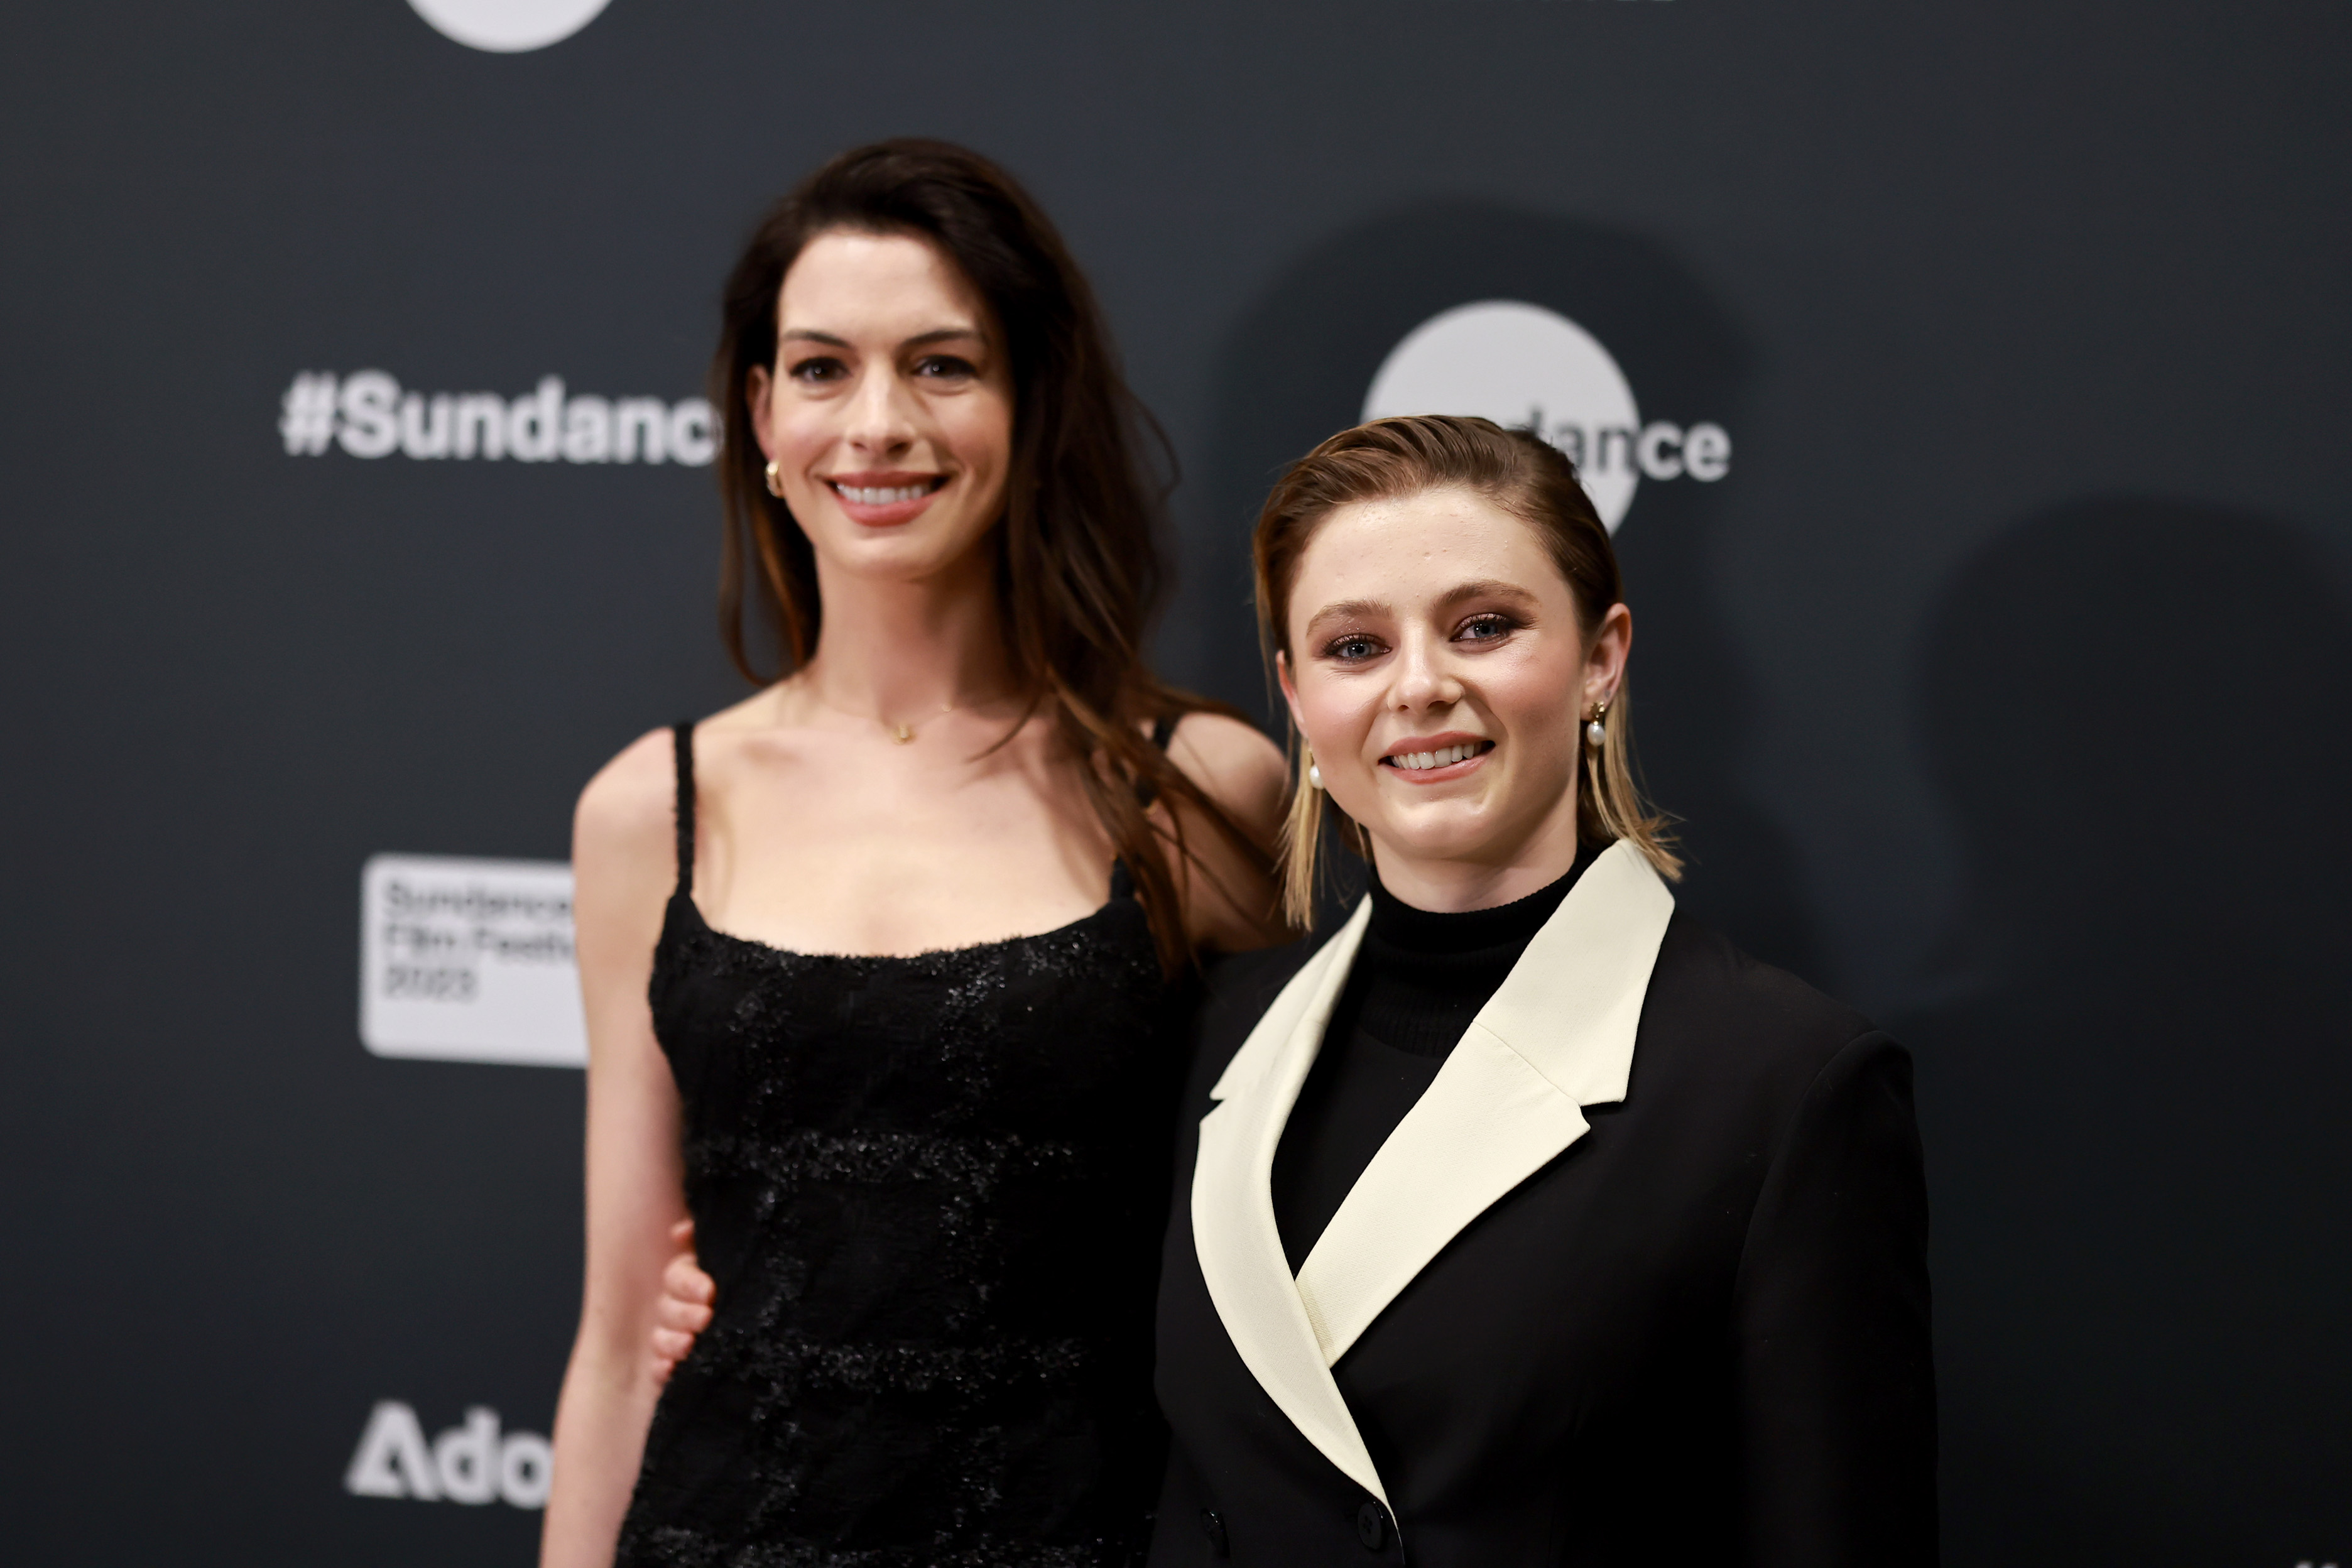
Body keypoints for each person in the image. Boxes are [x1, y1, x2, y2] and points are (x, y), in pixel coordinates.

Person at [540, 139, 1288, 1568]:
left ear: (1031, 402)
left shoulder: (1196, 793)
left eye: (943, 365)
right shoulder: (653, 808)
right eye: (822, 369)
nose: (876, 423)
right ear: (762, 413)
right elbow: (620, 1345)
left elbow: (1264, 1291)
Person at [1146, 415, 1936, 1566]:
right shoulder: (1221, 1032)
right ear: (1296, 697)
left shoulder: (1781, 1083)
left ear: (1600, 659)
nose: (1420, 686)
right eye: (1354, 647)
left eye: (1483, 627)